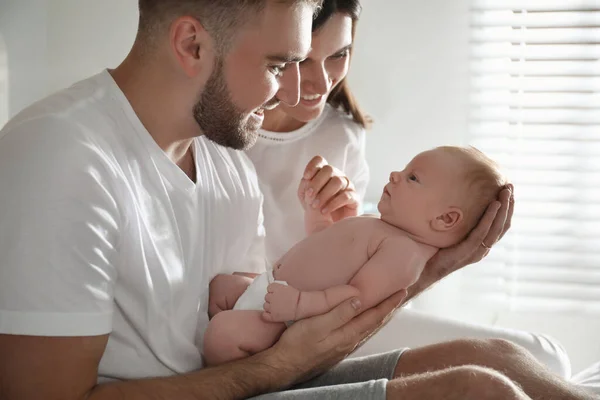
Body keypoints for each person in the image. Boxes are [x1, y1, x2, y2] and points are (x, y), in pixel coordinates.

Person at [0, 1, 593, 399]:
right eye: (280, 63)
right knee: (474, 391)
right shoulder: (61, 154)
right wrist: (277, 367)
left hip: (238, 380)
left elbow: (267, 312)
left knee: (502, 359)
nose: (296, 90)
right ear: (192, 44)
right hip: (233, 385)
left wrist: (431, 265)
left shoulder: (226, 158)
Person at [245, 0, 578, 384]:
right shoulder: (227, 134)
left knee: (548, 358)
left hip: (336, 308)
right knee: (529, 364)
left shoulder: (343, 134)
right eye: (303, 59)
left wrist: (343, 219)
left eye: (339, 55)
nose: (321, 83)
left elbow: (362, 269)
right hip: (268, 313)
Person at [205, 146, 507, 366]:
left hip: (284, 320)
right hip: (272, 286)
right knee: (221, 285)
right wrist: (318, 219)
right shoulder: (380, 225)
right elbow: (328, 255)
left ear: (445, 219)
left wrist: (300, 303)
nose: (395, 175)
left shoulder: (404, 254)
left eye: (413, 178)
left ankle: (237, 375)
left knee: (222, 334)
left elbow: (356, 299)